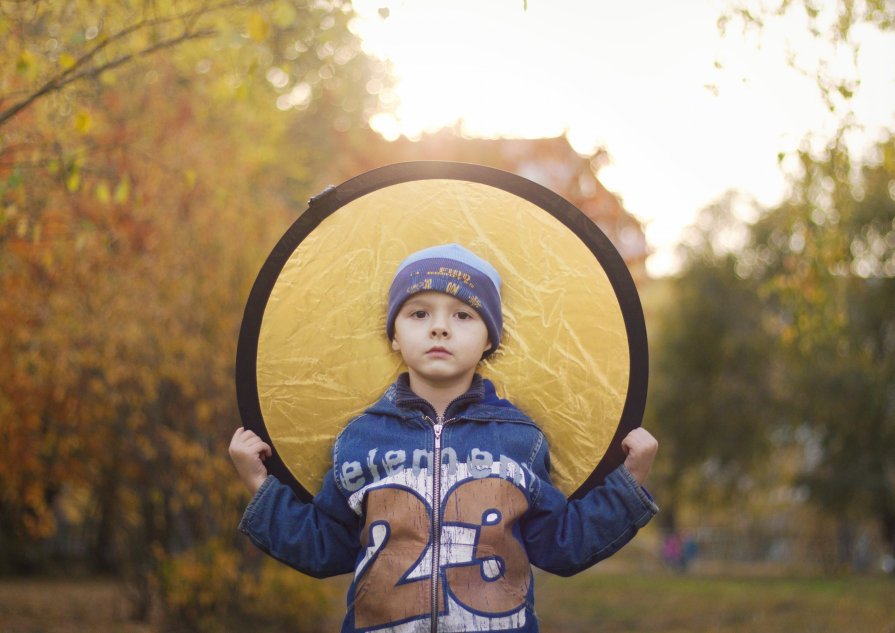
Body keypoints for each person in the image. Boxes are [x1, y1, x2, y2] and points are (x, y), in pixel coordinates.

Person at [230, 243, 659, 632]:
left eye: (463, 314)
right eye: (419, 313)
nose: (439, 328)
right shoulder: (357, 438)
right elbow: (323, 545)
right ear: (394, 334)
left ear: (489, 337)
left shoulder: (520, 438)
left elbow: (561, 544)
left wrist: (628, 484)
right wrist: (259, 484)